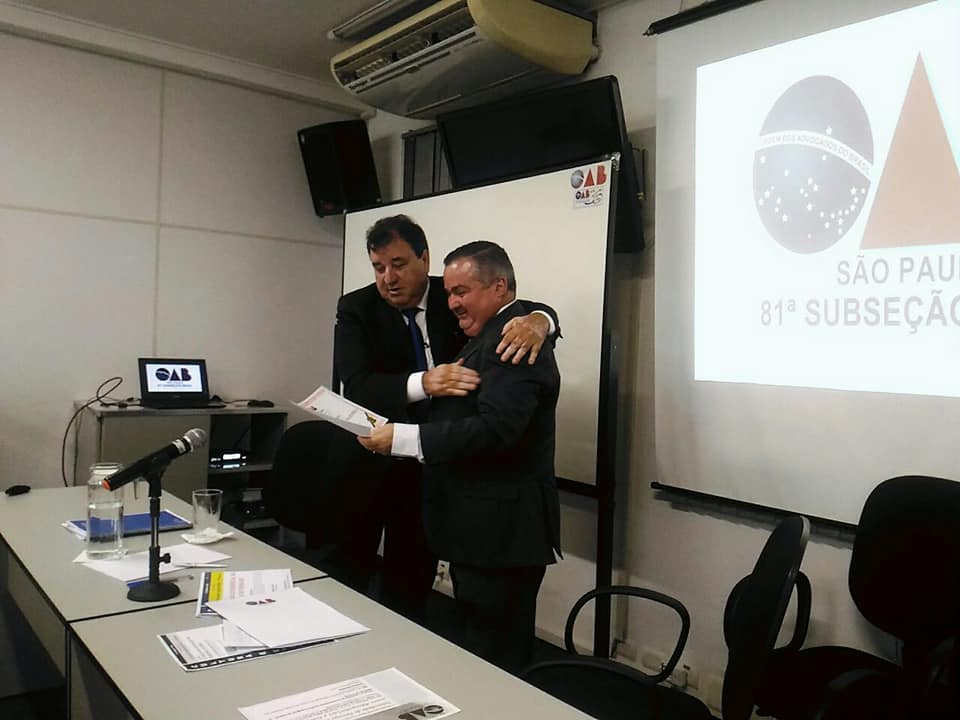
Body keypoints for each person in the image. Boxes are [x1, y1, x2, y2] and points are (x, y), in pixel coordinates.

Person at [334, 215, 558, 622]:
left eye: (398, 264)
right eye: (378, 267)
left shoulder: (454, 295)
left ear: (424, 259)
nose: (388, 278)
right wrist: (423, 383)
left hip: (448, 478)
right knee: (350, 582)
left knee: (417, 592)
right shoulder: (358, 308)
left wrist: (542, 321)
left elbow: (519, 309)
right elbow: (358, 386)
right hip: (382, 467)